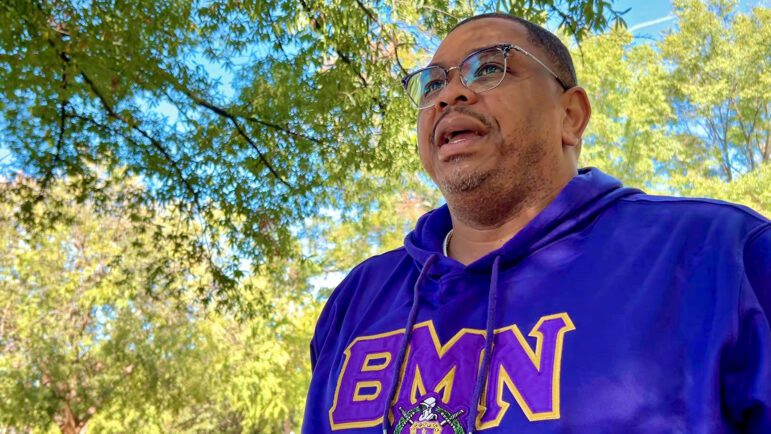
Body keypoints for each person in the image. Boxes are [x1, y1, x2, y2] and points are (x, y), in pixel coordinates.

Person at [303, 12, 771, 433]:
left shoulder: (721, 256)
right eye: (430, 84)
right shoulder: (357, 299)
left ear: (570, 116)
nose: (449, 94)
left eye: (488, 67)